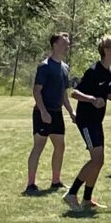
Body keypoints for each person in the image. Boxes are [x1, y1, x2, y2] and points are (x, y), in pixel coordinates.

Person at [65, 35, 111, 217]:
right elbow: (75, 93)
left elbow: (110, 95)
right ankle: (71, 193)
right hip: (86, 120)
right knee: (96, 159)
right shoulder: (93, 71)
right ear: (106, 50)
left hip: (97, 121)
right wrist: (92, 99)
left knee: (99, 160)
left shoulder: (110, 71)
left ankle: (87, 199)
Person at [26, 31, 71, 196]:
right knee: (39, 146)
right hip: (42, 112)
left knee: (60, 146)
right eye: (64, 42)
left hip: (57, 112)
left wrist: (71, 112)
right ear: (55, 45)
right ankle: (31, 184)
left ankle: (56, 181)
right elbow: (37, 91)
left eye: (67, 42)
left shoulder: (65, 67)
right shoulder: (45, 66)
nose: (67, 45)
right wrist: (43, 112)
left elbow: (63, 94)